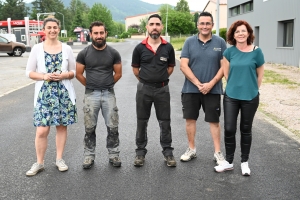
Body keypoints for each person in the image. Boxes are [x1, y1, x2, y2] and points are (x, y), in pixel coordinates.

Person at [25, 17, 77, 176]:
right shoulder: (37, 49)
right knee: (42, 130)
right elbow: (29, 72)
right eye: (49, 27)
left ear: (58, 28)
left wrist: (64, 75)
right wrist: (44, 76)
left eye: (55, 27)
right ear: (44, 29)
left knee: (61, 127)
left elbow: (74, 72)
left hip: (63, 93)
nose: (53, 30)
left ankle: (59, 159)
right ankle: (39, 162)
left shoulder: (66, 48)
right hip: (44, 95)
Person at [214, 20, 264, 176]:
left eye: (243, 31)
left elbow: (259, 76)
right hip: (231, 96)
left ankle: (244, 162)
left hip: (250, 97)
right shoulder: (229, 53)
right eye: (237, 31)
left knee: (245, 129)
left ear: (248, 33)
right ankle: (228, 162)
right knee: (229, 128)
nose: (240, 34)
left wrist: (252, 89)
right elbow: (227, 74)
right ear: (233, 35)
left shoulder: (257, 52)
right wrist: (236, 86)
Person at [179, 12, 226, 165]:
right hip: (191, 90)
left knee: (214, 121)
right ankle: (191, 149)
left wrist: (211, 84)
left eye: (208, 23)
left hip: (213, 90)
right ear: (197, 25)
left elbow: (224, 66)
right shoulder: (189, 42)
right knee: (190, 120)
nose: (205, 26)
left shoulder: (220, 42)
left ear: (212, 25)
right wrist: (198, 83)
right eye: (202, 23)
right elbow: (183, 65)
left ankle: (218, 153)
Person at [131, 14, 176, 167]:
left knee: (165, 122)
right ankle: (140, 153)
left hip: (163, 90)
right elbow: (135, 70)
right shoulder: (139, 48)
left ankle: (168, 153)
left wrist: (160, 79)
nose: (155, 27)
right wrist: (147, 81)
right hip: (144, 89)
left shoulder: (168, 48)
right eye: (152, 24)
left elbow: (170, 68)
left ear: (161, 27)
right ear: (147, 27)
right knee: (142, 121)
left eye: (157, 24)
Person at [76, 21, 122, 168]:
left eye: (101, 33)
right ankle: (89, 156)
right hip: (91, 95)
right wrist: (91, 86)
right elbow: (78, 74)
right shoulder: (84, 53)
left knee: (112, 127)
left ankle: (114, 155)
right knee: (89, 128)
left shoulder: (113, 53)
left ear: (106, 33)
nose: (99, 36)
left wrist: (106, 84)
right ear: (91, 35)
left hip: (109, 94)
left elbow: (118, 73)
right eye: (96, 33)